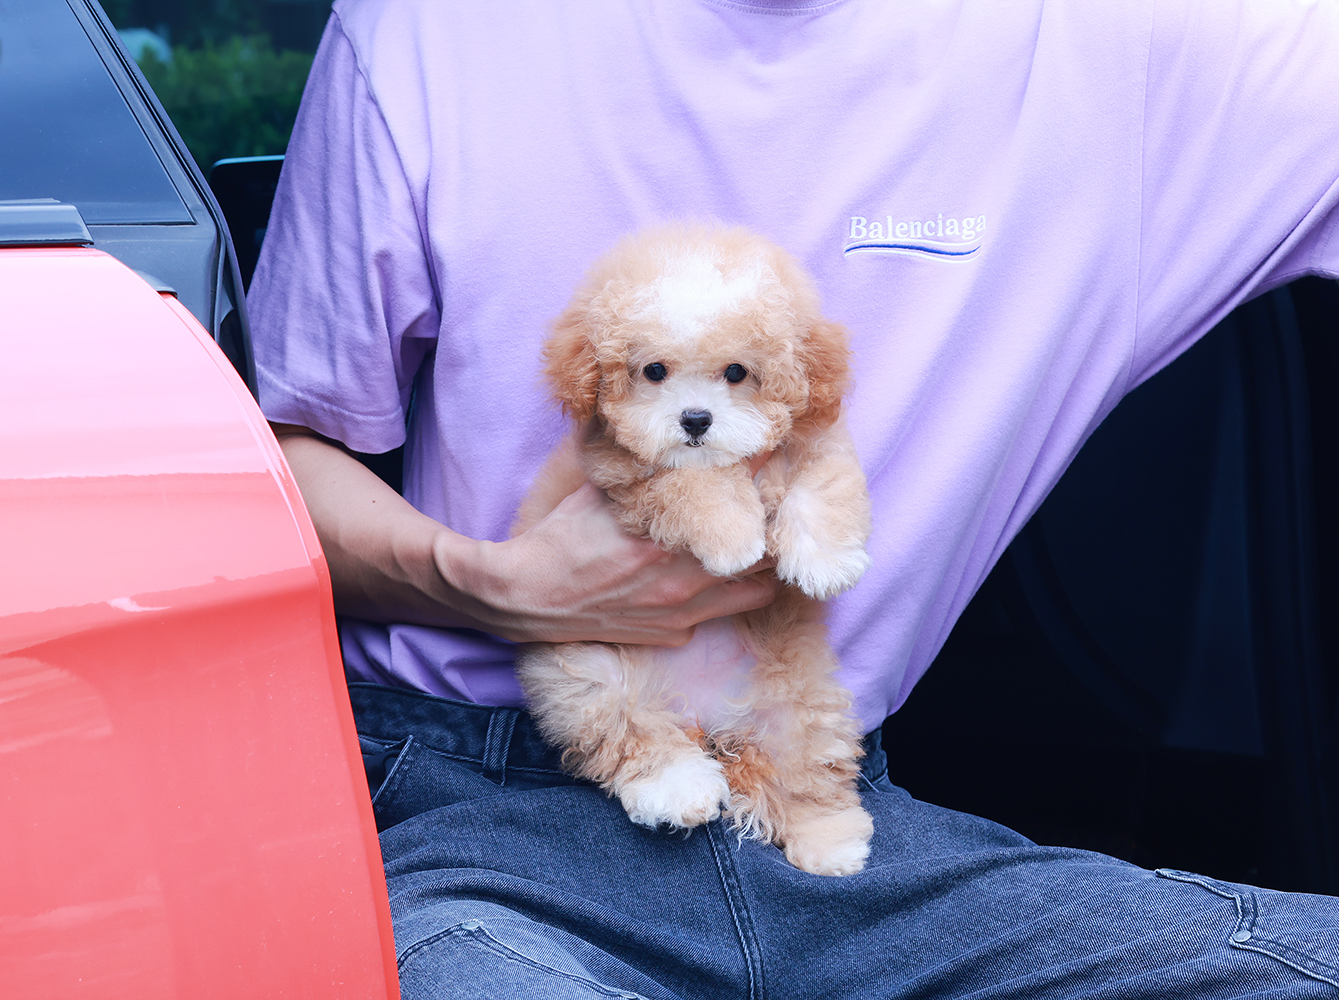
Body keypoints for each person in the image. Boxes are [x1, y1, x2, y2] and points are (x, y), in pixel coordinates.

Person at [247, 1, 1339, 995]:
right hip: (487, 822)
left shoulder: (1111, 48)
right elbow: (270, 461)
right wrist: (492, 585)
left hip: (829, 808)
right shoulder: (426, 31)